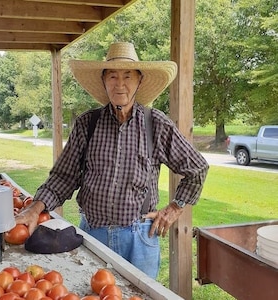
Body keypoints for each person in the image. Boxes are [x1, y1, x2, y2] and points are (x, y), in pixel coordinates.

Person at [15, 42, 209, 279]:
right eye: (113, 76)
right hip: (92, 233)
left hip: (139, 238)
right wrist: (36, 207)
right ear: (104, 81)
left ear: (139, 81)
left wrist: (173, 208)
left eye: (128, 76)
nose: (120, 84)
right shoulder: (88, 124)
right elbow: (64, 176)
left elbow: (197, 168)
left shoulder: (156, 124)